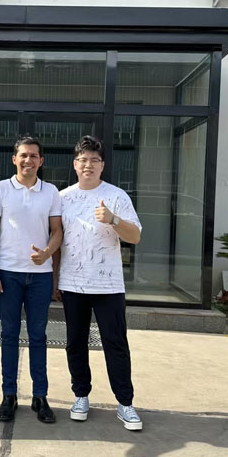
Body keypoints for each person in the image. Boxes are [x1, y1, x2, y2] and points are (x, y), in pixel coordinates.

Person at [55, 135, 144, 431]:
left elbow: (135, 237)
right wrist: (55, 279)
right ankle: (81, 395)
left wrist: (113, 220)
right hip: (73, 284)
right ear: (75, 164)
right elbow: (57, 240)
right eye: (83, 160)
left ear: (102, 165)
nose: (88, 165)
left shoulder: (116, 196)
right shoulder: (63, 197)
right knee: (75, 343)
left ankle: (125, 402)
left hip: (108, 286)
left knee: (115, 343)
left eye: (94, 160)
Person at [0, 136, 63, 423]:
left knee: (38, 335)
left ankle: (40, 396)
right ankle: (9, 395)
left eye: (33, 156)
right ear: (14, 159)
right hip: (8, 273)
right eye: (23, 155)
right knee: (8, 335)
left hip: (40, 276)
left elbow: (57, 231)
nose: (28, 160)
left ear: (41, 161)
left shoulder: (51, 192)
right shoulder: (1, 189)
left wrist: (47, 253)